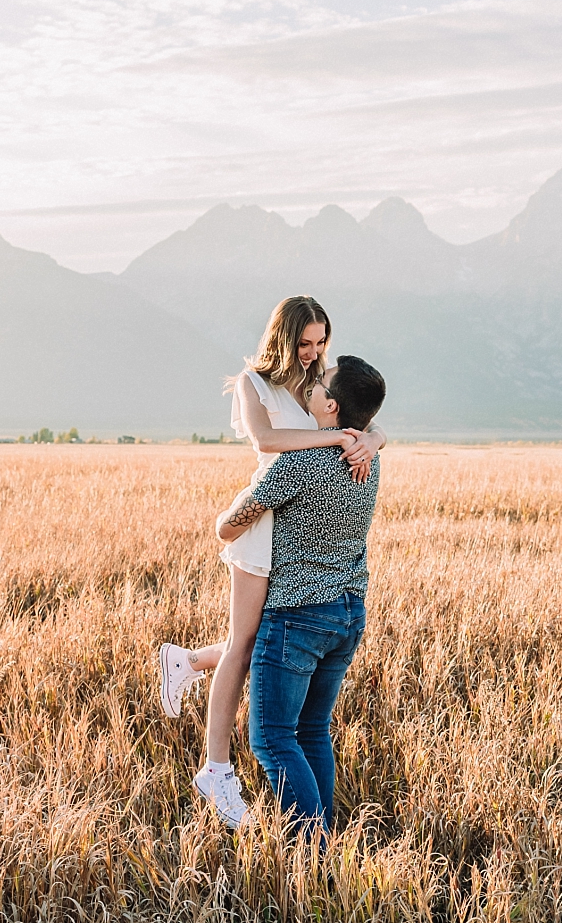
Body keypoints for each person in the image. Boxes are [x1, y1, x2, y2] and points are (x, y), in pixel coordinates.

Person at [156, 296, 386, 827]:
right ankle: (217, 769)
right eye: (304, 343)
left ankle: (187, 662)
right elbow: (266, 439)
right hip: (264, 519)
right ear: (282, 337)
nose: (313, 353)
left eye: (320, 343)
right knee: (246, 642)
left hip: (294, 514)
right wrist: (340, 438)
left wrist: (370, 437)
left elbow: (362, 409)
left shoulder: (321, 383)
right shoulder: (254, 383)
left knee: (265, 646)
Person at [216, 355, 387, 835]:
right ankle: (324, 849)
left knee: (272, 739)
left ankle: (310, 852)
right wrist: (372, 436)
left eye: (319, 384)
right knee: (312, 732)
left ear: (330, 406)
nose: (310, 385)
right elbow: (372, 431)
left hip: (298, 615)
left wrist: (224, 523)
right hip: (348, 613)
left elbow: (229, 528)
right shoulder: (367, 458)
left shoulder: (303, 463)